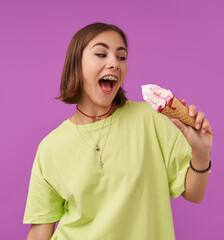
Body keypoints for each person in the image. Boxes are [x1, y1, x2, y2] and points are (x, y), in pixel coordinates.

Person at [23, 22, 213, 240]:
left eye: (121, 57)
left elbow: (194, 194)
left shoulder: (149, 118)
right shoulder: (51, 147)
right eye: (101, 54)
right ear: (76, 65)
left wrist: (201, 153)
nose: (114, 63)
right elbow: (40, 230)